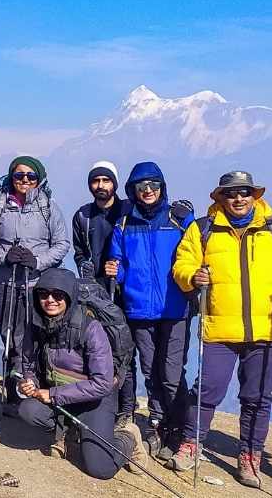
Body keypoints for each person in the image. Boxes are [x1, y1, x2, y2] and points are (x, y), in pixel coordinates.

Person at [170, 171, 272, 488]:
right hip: (220, 326)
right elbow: (182, 263)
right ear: (220, 197)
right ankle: (191, 444)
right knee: (207, 390)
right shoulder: (203, 229)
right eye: (231, 193)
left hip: (268, 329)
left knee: (258, 397)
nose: (238, 198)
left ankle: (249, 456)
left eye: (245, 192)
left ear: (254, 196)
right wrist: (193, 277)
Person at [17, 268, 147, 479]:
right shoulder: (36, 324)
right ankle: (69, 432)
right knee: (28, 411)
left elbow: (103, 383)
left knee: (100, 468)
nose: (50, 300)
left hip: (96, 400)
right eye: (43, 294)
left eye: (58, 295)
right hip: (60, 396)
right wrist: (29, 382)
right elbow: (29, 363)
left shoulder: (90, 328)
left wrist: (52, 395)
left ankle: (128, 437)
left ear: (70, 296)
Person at [105, 161, 193, 455]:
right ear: (133, 190)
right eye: (141, 187)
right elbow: (118, 263)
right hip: (139, 309)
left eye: (153, 185)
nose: (148, 191)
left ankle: (179, 426)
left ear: (161, 187)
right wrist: (114, 271)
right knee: (149, 369)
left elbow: (194, 255)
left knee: (170, 373)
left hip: (175, 307)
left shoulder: (179, 220)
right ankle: (159, 423)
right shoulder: (125, 224)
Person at [0, 155, 69, 412]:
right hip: (4, 283)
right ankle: (14, 388)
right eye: (19, 175)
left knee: (30, 339)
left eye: (31, 176)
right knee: (8, 337)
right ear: (11, 177)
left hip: (36, 286)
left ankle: (26, 389)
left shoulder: (48, 207)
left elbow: (62, 244)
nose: (24, 180)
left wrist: (37, 261)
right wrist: (3, 257)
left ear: (39, 179)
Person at [72, 161, 122, 284]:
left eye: (106, 180)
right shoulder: (83, 215)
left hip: (126, 285)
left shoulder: (127, 211)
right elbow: (79, 253)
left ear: (114, 184)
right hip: (95, 285)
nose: (100, 185)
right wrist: (83, 266)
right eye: (95, 181)